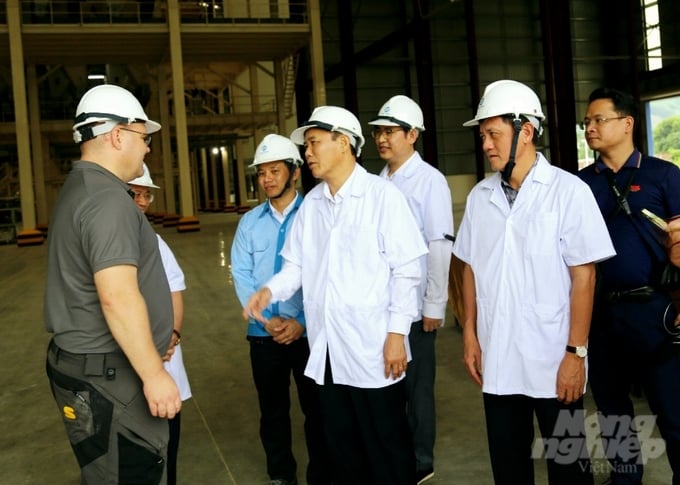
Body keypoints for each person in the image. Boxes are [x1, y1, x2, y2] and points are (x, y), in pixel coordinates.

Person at [241, 106, 428, 485]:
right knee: (342, 451)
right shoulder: (313, 206)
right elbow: (295, 267)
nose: (307, 153)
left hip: (374, 351)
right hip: (327, 354)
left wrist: (396, 335)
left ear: (343, 143)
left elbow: (408, 270)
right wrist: (268, 290)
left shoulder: (383, 198)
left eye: (313, 142)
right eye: (307, 145)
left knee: (387, 448)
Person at [452, 80, 615, 485]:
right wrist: (470, 333)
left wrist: (575, 354)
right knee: (509, 468)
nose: (486, 144)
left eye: (494, 134)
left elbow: (584, 276)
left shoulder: (567, 192)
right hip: (499, 358)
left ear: (525, 132)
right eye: (483, 135)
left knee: (569, 469)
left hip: (553, 359)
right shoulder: (479, 198)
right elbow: (469, 267)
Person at [44, 84, 180, 484]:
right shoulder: (106, 199)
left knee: (105, 471)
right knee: (131, 469)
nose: (148, 149)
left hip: (86, 366)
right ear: (117, 134)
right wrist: (155, 375)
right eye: (143, 137)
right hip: (109, 376)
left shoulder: (80, 188)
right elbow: (118, 297)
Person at [577, 87, 680, 485]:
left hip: (655, 311)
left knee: (671, 408)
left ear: (627, 123)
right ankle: (625, 479)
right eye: (586, 122)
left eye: (598, 120)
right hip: (601, 314)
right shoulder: (580, 185)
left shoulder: (663, 175)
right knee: (612, 410)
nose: (590, 128)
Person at [231, 134, 330, 485]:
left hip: (309, 334)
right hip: (263, 334)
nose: (267, 179)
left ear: (295, 173)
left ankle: (322, 474)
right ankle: (281, 474)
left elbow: (325, 274)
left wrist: (301, 322)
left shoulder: (316, 215)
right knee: (272, 411)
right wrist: (265, 318)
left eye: (275, 170)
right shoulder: (249, 223)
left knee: (317, 409)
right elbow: (241, 274)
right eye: (262, 173)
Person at [368, 95, 453, 484]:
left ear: (412, 135)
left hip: (416, 307)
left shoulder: (429, 181)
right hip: (382, 307)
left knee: (417, 390)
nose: (382, 139)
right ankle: (393, 454)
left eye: (390, 132)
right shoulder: (378, 181)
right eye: (378, 132)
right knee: (387, 385)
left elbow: (439, 244)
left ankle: (421, 460)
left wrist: (435, 303)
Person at [128, 163, 192, 485]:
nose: (141, 201)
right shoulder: (109, 241)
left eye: (146, 195)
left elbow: (175, 292)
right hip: (130, 372)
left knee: (168, 450)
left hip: (165, 366)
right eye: (134, 193)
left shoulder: (156, 243)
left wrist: (174, 334)